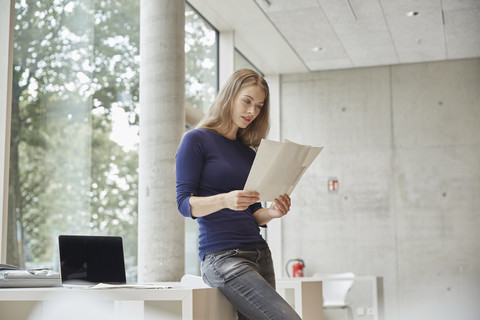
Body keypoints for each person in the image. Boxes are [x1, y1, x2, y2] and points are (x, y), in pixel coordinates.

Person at [175, 68, 301, 320]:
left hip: (259, 252)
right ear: (230, 96)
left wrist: (273, 212)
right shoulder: (196, 140)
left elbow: (254, 213)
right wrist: (225, 199)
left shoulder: (248, 153)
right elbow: (184, 204)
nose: (252, 112)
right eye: (247, 101)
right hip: (223, 258)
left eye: (259, 106)